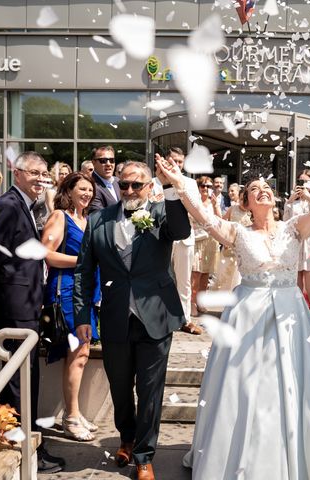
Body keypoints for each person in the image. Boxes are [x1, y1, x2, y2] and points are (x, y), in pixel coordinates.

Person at [155, 157, 310, 479]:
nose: (262, 192)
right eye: (254, 190)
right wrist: (179, 183)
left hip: (292, 317)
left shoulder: (295, 227)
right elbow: (202, 216)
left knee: (297, 385)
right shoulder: (237, 232)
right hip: (247, 318)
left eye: (267, 188)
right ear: (245, 203)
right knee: (245, 389)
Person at [73, 161, 191, 480]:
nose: (128, 191)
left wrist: (171, 189)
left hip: (156, 315)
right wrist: (82, 315)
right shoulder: (98, 220)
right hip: (114, 317)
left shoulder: (162, 213)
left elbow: (182, 231)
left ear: (149, 187)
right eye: (123, 185)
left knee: (150, 389)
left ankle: (144, 455)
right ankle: (126, 437)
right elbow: (84, 272)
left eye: (135, 185)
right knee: (120, 386)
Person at [0, 151, 65, 473]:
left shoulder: (28, 206)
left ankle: (27, 445)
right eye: (34, 173)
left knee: (26, 378)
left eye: (44, 174)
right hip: (14, 309)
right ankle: (24, 449)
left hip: (26, 304)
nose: (40, 180)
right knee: (19, 381)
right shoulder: (7, 205)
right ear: (16, 173)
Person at [41, 172, 100, 442]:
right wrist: (81, 261)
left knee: (80, 354)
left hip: (87, 294)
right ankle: (71, 417)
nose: (87, 194)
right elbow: (46, 254)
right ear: (69, 190)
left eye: (90, 190)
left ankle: (74, 411)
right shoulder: (60, 217)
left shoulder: (88, 220)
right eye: (82, 189)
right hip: (65, 293)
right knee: (78, 353)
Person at [163, 148, 203, 335]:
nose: (177, 165)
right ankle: (162, 316)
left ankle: (185, 319)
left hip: (185, 237)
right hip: (162, 237)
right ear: (165, 161)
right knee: (162, 277)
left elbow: (196, 208)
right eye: (174, 161)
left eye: (180, 162)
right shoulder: (155, 182)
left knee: (184, 280)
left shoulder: (190, 183)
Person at [283, 169, 310, 308]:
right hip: (296, 244)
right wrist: (289, 202)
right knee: (296, 289)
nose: (304, 184)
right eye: (301, 181)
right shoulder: (293, 202)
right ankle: (298, 320)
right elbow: (286, 222)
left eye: (307, 181)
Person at [190, 176, 221, 316]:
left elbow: (220, 221)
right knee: (196, 274)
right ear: (198, 187)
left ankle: (201, 302)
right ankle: (191, 303)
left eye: (209, 186)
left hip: (210, 241)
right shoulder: (194, 202)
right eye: (203, 186)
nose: (206, 189)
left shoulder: (212, 202)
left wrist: (215, 206)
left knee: (205, 274)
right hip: (197, 240)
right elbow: (192, 219)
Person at [215, 188, 251, 291]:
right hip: (229, 245)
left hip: (245, 247)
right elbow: (222, 222)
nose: (243, 202)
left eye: (245, 199)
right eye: (241, 199)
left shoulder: (252, 211)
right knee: (225, 272)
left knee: (239, 275)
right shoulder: (233, 208)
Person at [88, 145, 120, 214]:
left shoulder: (118, 181)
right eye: (103, 161)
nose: (108, 164)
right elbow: (98, 215)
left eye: (112, 160)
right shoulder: (90, 186)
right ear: (93, 163)